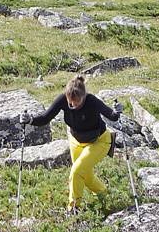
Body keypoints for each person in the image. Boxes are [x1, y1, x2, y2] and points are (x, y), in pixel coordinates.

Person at [23, 75, 119, 212]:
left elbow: (112, 115)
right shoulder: (63, 99)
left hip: (99, 141)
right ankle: (103, 193)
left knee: (76, 171)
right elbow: (45, 118)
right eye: (70, 102)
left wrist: (117, 111)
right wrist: (29, 120)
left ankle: (73, 209)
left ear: (84, 96)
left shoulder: (92, 101)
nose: (73, 105)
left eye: (77, 102)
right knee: (85, 175)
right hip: (76, 140)